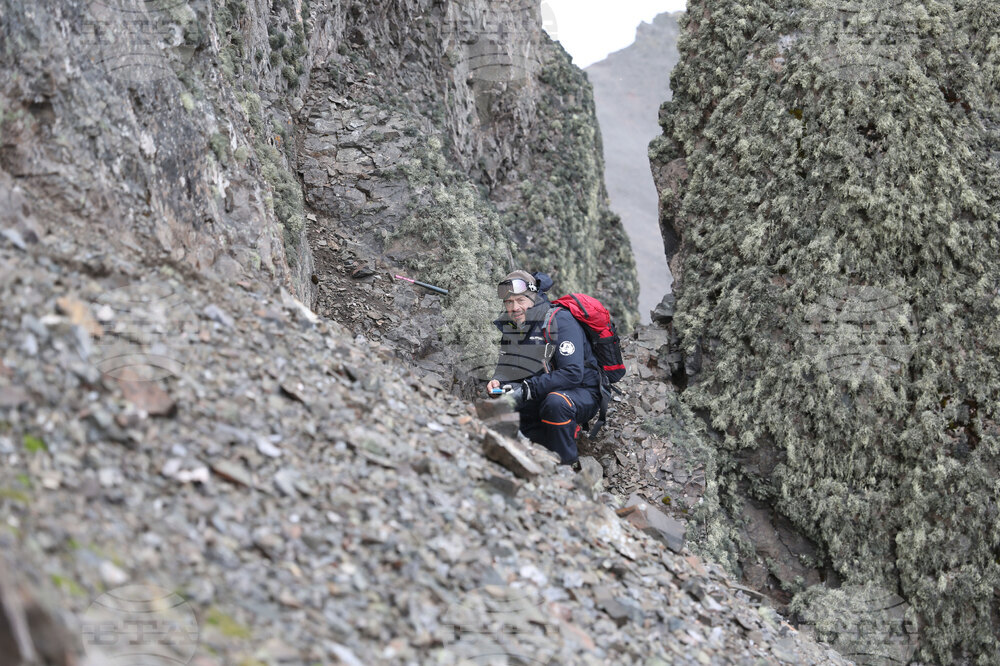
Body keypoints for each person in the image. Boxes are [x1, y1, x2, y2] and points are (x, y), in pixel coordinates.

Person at [486, 270, 602, 464]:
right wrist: (498, 381)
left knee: (556, 403)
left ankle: (566, 464)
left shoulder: (559, 321)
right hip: (543, 388)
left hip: (581, 391)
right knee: (500, 410)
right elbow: (506, 366)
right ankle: (536, 452)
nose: (514, 308)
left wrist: (528, 389)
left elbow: (573, 374)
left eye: (520, 300)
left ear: (533, 298)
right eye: (509, 302)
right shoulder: (513, 326)